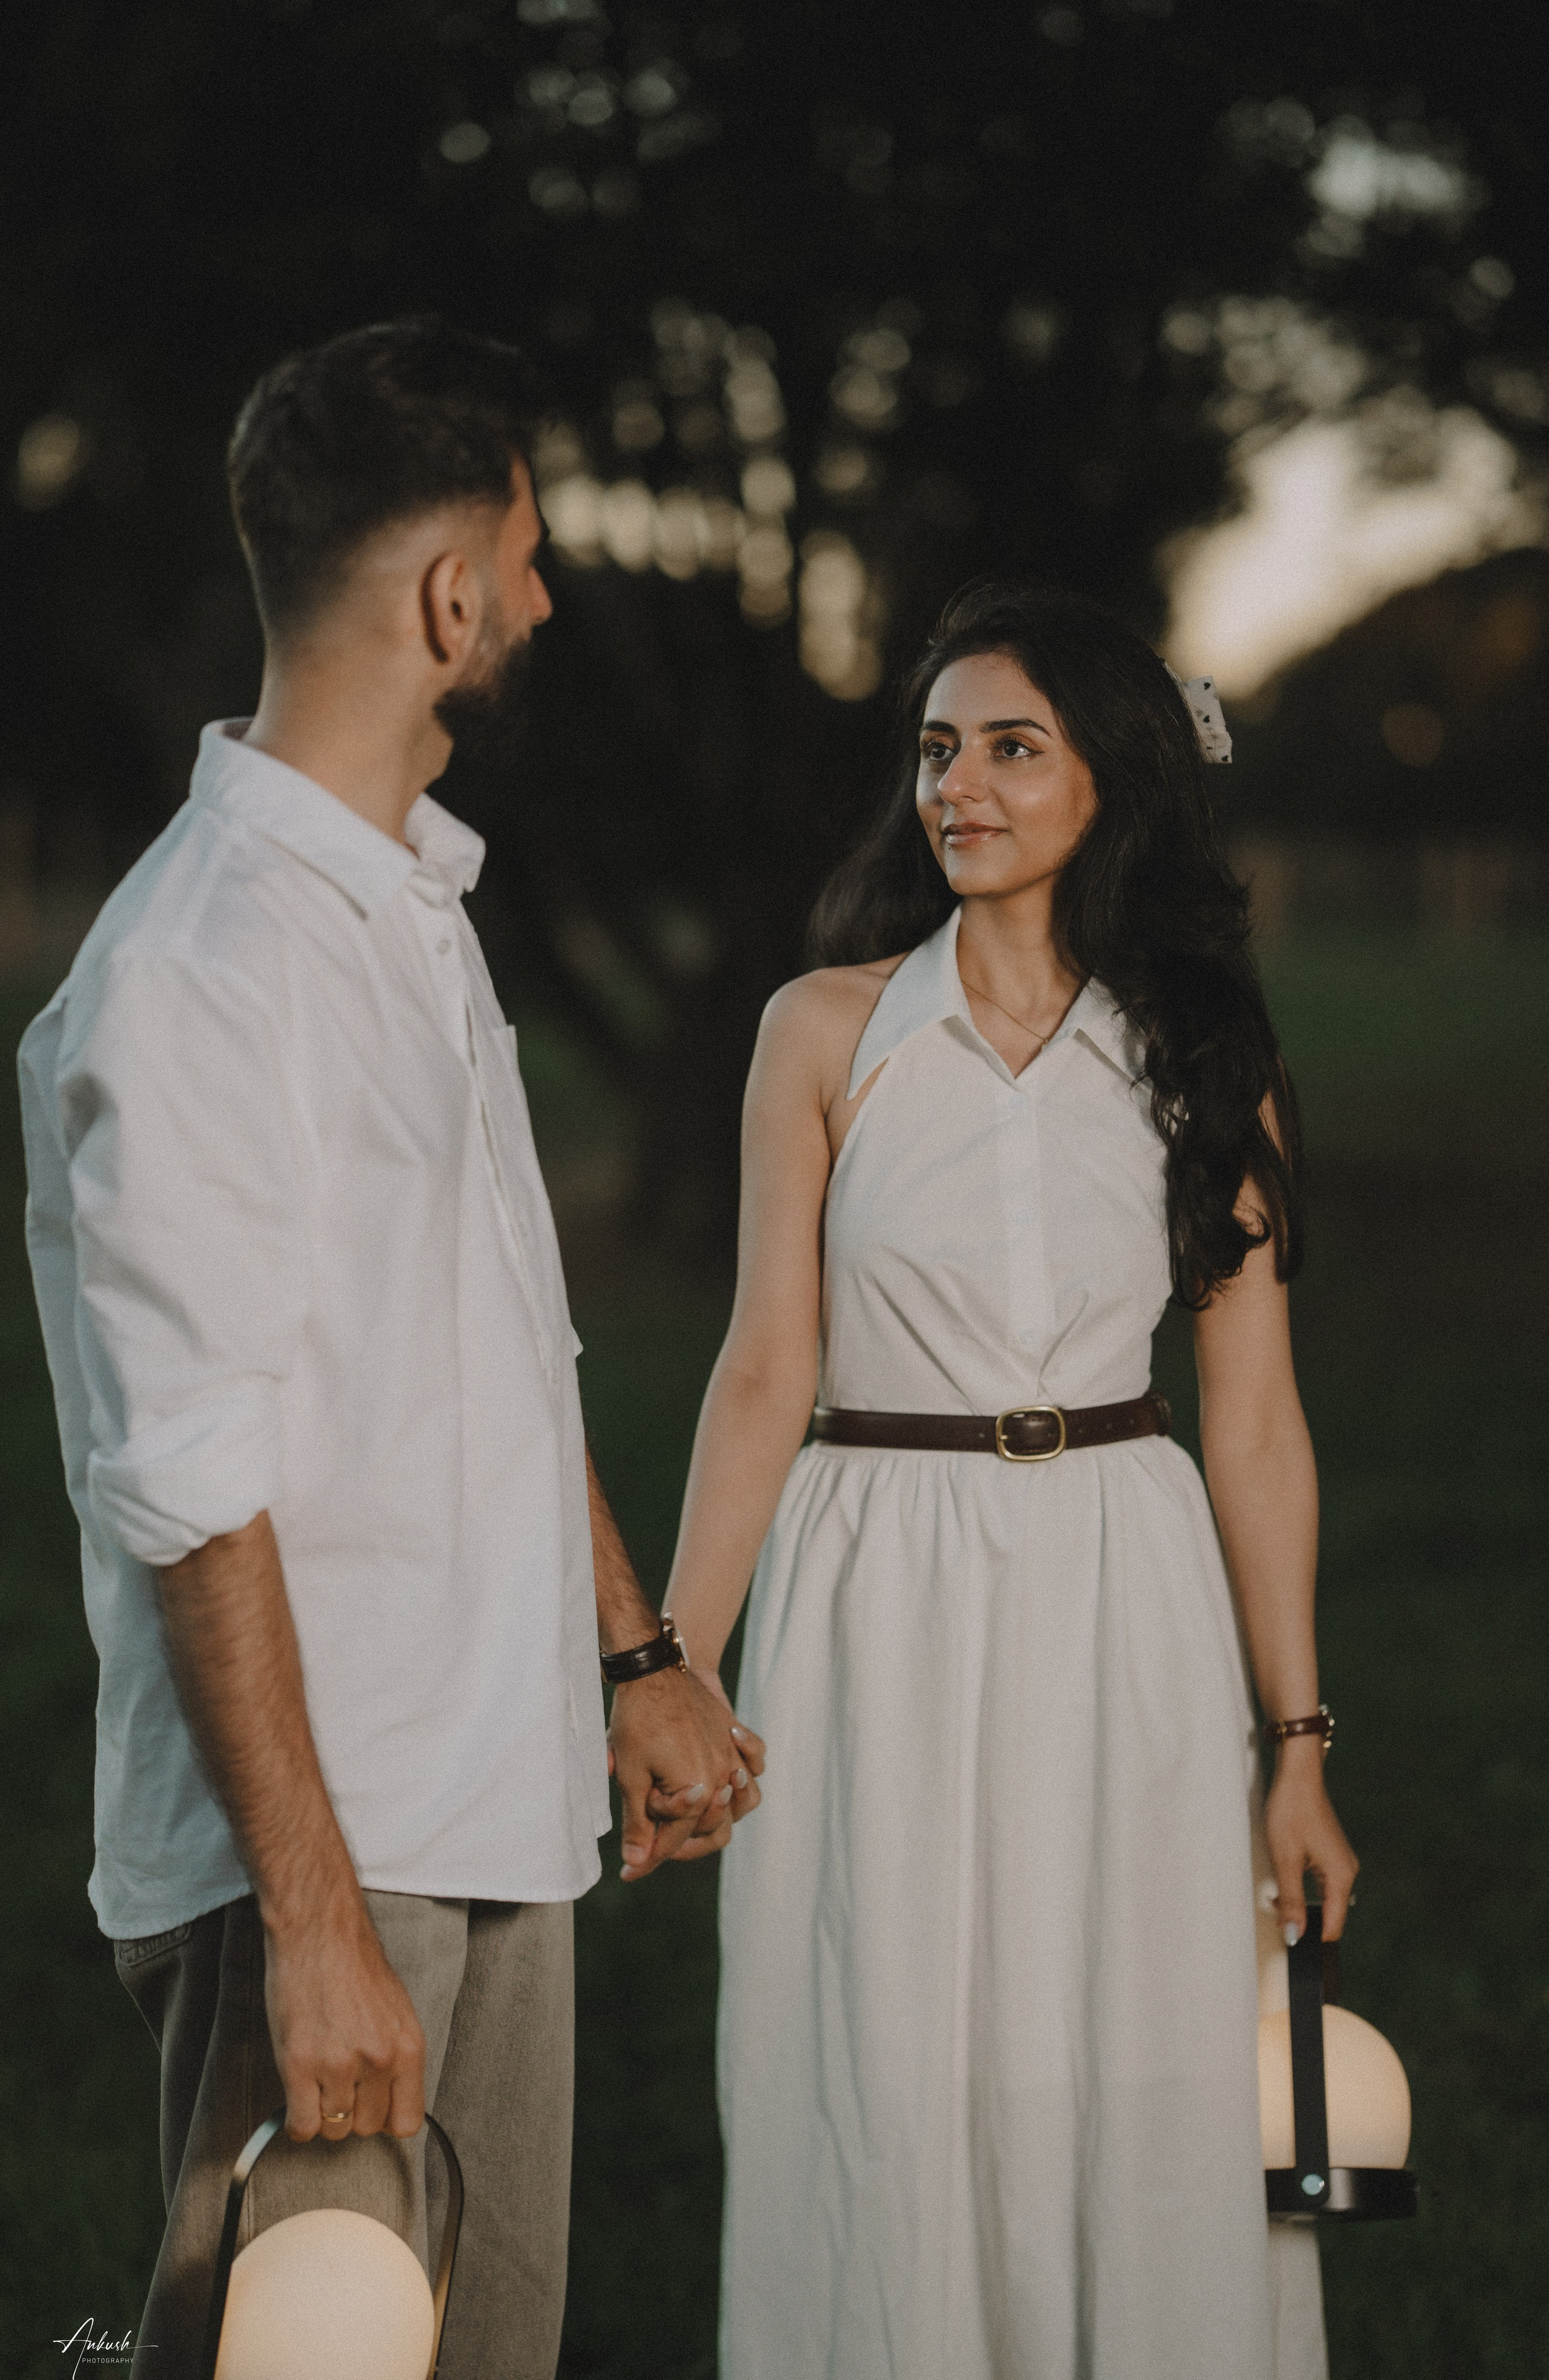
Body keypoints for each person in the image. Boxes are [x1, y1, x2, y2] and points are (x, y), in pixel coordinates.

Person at [18, 318, 762, 2380]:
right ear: (450, 597)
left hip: (496, 1800)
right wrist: (319, 1933)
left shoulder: (412, 906)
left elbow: (506, 1350)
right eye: (526, 559)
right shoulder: (200, 972)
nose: (540, 598)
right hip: (325, 1862)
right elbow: (186, 1485)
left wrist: (628, 1656)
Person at [664, 580, 1357, 2380]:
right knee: (878, 2062)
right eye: (937, 750)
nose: (957, 786)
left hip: (1120, 1589)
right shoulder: (826, 1033)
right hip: (873, 1582)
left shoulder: (1208, 1061)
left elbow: (1258, 1424)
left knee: (1126, 2049)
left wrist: (1299, 1750)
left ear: (1110, 784)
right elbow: (762, 1370)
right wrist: (672, 1663)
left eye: (1010, 748)